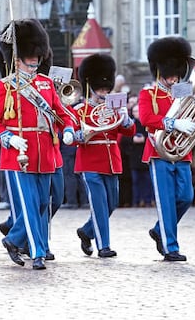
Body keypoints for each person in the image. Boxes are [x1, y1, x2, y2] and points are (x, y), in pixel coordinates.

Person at [0, 19, 75, 270]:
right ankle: (37, 253)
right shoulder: (6, 86)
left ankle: (14, 239)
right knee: (30, 204)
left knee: (44, 203)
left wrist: (68, 129)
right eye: (29, 59)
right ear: (17, 59)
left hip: (45, 152)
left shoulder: (45, 84)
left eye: (36, 58)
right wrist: (9, 138)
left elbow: (61, 113)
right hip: (19, 154)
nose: (34, 63)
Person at [68, 54, 135, 258]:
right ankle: (103, 246)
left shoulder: (113, 108)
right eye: (100, 90)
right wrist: (83, 135)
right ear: (91, 87)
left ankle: (86, 231)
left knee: (112, 204)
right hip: (90, 161)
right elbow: (73, 135)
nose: (104, 93)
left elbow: (130, 132)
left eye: (107, 89)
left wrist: (125, 118)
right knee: (99, 205)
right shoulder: (80, 110)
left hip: (111, 161)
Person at [138, 36, 195, 262]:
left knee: (186, 197)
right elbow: (146, 118)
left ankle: (159, 229)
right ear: (159, 71)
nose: (173, 78)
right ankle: (171, 247)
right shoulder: (148, 94)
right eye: (169, 74)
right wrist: (172, 123)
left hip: (182, 152)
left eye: (176, 73)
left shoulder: (184, 92)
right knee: (166, 200)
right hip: (158, 153)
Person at [120, 104, 152, 207]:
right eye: (135, 111)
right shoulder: (131, 124)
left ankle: (147, 201)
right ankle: (136, 201)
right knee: (135, 181)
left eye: (138, 111)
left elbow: (153, 136)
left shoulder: (146, 124)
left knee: (147, 181)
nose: (136, 113)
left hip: (145, 156)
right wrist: (133, 140)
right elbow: (124, 139)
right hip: (133, 157)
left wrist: (144, 139)